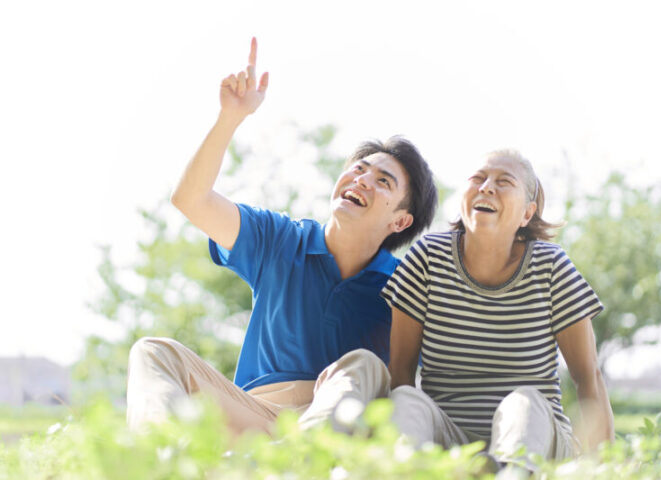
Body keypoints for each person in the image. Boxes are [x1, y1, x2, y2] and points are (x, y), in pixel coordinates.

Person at [125, 38, 438, 435]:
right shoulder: (279, 239)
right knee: (154, 352)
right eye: (358, 169)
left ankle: (297, 459)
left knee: (365, 364)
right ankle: (155, 462)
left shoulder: (405, 286)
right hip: (253, 417)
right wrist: (230, 117)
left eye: (382, 181)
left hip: (338, 429)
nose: (361, 180)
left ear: (400, 222)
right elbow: (191, 199)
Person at [378, 149, 614, 471]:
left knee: (524, 403)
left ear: (526, 214)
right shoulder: (427, 259)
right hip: (451, 441)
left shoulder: (551, 268)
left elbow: (589, 378)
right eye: (478, 178)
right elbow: (401, 373)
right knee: (405, 400)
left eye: (504, 182)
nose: (487, 187)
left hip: (538, 441)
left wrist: (606, 470)